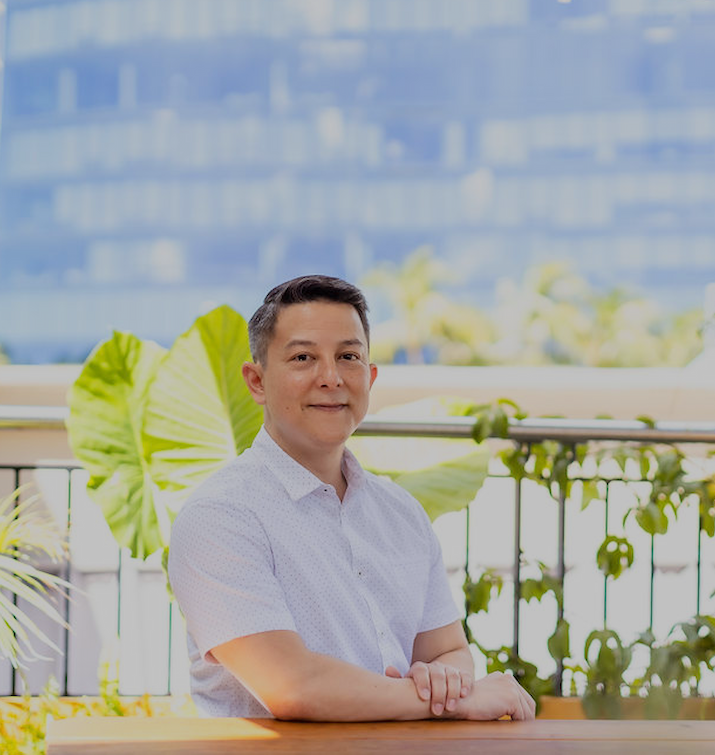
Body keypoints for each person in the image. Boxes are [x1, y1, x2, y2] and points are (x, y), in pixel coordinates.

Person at [167, 275, 535, 722]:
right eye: (303, 357)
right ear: (257, 381)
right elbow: (292, 686)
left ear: (370, 377)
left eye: (348, 357)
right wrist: (455, 701)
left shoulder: (400, 511)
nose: (330, 377)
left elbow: (448, 651)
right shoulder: (220, 516)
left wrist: (448, 683)